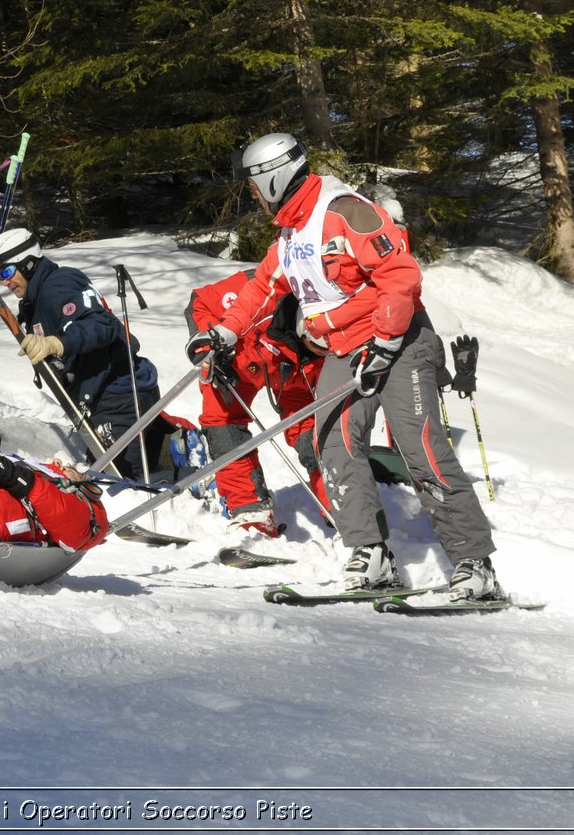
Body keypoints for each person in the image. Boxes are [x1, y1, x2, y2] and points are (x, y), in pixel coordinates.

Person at [197, 132, 500, 599]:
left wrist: (386, 339)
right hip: (345, 349)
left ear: (274, 177)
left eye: (255, 186)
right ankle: (371, 553)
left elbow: (400, 277)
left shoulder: (345, 211)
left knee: (420, 448)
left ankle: (473, 562)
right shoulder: (291, 232)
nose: (253, 196)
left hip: (400, 341)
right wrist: (223, 332)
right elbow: (262, 288)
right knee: (333, 445)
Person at [0, 228, 162, 481]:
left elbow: (101, 325)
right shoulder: (37, 298)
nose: (5, 282)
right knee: (120, 470)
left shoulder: (59, 285)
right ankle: (171, 447)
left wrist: (57, 343)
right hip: (105, 397)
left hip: (119, 395)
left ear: (30, 263)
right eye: (0, 277)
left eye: (8, 272)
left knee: (119, 485)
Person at [185, 273, 328, 536]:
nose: (318, 349)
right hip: (240, 360)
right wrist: (208, 348)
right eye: (314, 344)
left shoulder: (338, 303)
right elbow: (201, 301)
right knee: (222, 420)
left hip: (298, 371)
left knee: (311, 427)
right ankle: (250, 510)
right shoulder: (259, 288)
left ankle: (336, 501)